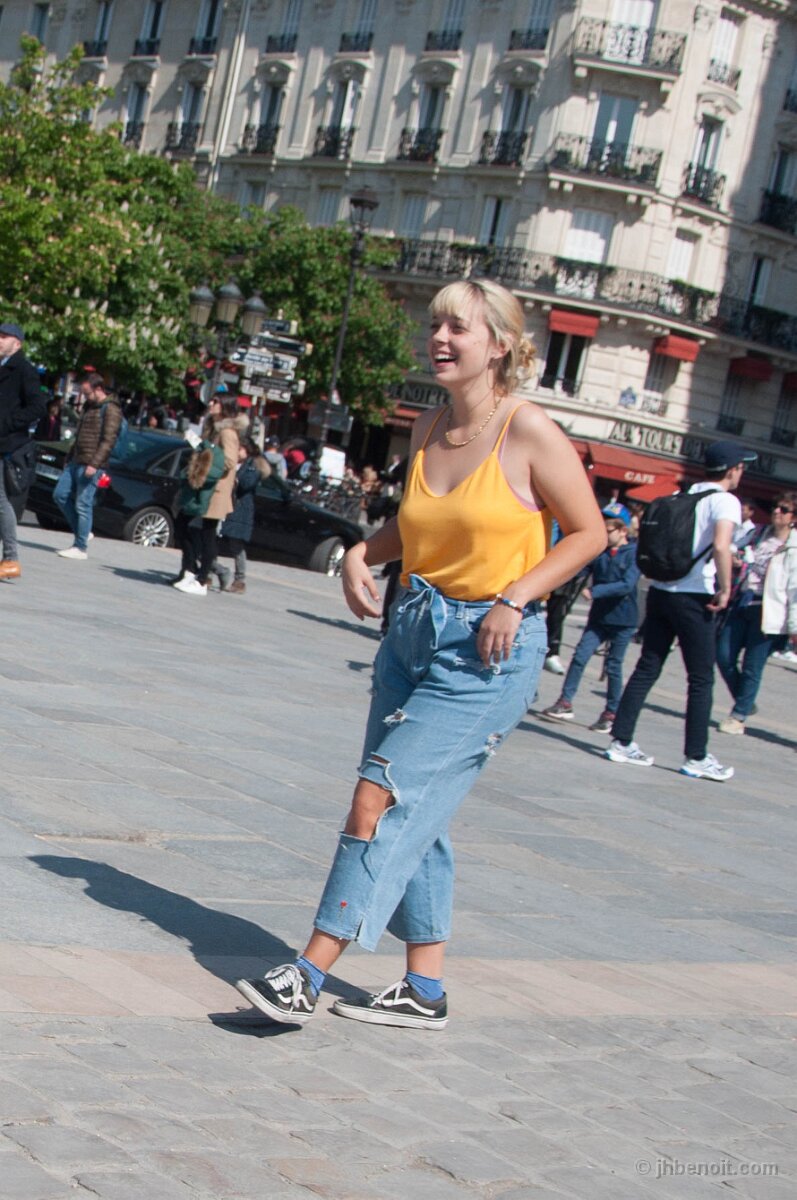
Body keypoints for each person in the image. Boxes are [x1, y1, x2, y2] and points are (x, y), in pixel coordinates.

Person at [236, 278, 605, 1030]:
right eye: (435, 324)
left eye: (457, 328)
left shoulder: (527, 429)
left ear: (499, 345)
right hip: (410, 633)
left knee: (380, 796)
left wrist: (516, 596)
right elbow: (415, 527)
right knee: (419, 810)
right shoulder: (430, 426)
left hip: (486, 649)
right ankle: (424, 988)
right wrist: (358, 553)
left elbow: (589, 532)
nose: (438, 338)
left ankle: (309, 971)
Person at [606, 440, 756, 781]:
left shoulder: (681, 495)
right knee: (701, 678)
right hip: (695, 596)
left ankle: (621, 741)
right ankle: (696, 756)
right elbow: (721, 545)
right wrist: (725, 588)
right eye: (741, 467)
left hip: (662, 591)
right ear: (732, 469)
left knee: (647, 667)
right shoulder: (725, 501)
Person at [540, 515, 640, 733]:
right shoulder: (602, 552)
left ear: (622, 531)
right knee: (580, 657)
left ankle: (611, 712)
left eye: (609, 531)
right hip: (599, 617)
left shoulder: (633, 553)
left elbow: (626, 584)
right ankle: (565, 701)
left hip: (623, 619)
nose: (606, 535)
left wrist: (596, 591)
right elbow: (583, 568)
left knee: (613, 665)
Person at [716, 492, 797, 734]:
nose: (777, 512)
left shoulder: (793, 547)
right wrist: (736, 560)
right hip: (743, 601)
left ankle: (738, 716)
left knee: (753, 664)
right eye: (776, 507)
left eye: (784, 509)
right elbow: (732, 547)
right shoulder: (758, 533)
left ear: (793, 517)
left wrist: (794, 626)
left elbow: (795, 588)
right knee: (723, 655)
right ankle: (745, 700)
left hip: (769, 610)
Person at [174, 394, 245, 596]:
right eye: (211, 401)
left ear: (225, 406)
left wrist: (206, 459)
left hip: (215, 488)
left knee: (208, 533)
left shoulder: (227, 432)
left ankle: (202, 579)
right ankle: (189, 570)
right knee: (182, 523)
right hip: (202, 486)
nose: (211, 404)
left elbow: (229, 461)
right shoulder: (212, 426)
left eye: (216, 402)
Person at [54, 374, 122, 560]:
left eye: (87, 393)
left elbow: (108, 440)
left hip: (92, 463)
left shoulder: (111, 409)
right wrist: (70, 456)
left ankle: (80, 546)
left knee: (83, 503)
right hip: (77, 459)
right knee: (60, 495)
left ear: (98, 389)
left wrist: (95, 464)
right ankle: (83, 532)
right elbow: (80, 435)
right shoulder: (89, 406)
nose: (84, 397)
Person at [0, 321, 46, 580]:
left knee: (1, 502)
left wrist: (7, 424)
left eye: (4, 337)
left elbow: (38, 407)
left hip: (7, 445)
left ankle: (10, 558)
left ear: (17, 343)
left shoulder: (23, 370)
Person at [214, 438, 271, 594]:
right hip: (225, 505)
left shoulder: (253, 466)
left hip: (240, 509)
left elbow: (246, 484)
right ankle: (210, 571)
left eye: (240, 449)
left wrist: (234, 476)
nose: (237, 452)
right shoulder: (233, 463)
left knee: (236, 545)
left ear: (247, 450)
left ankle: (240, 580)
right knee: (213, 540)